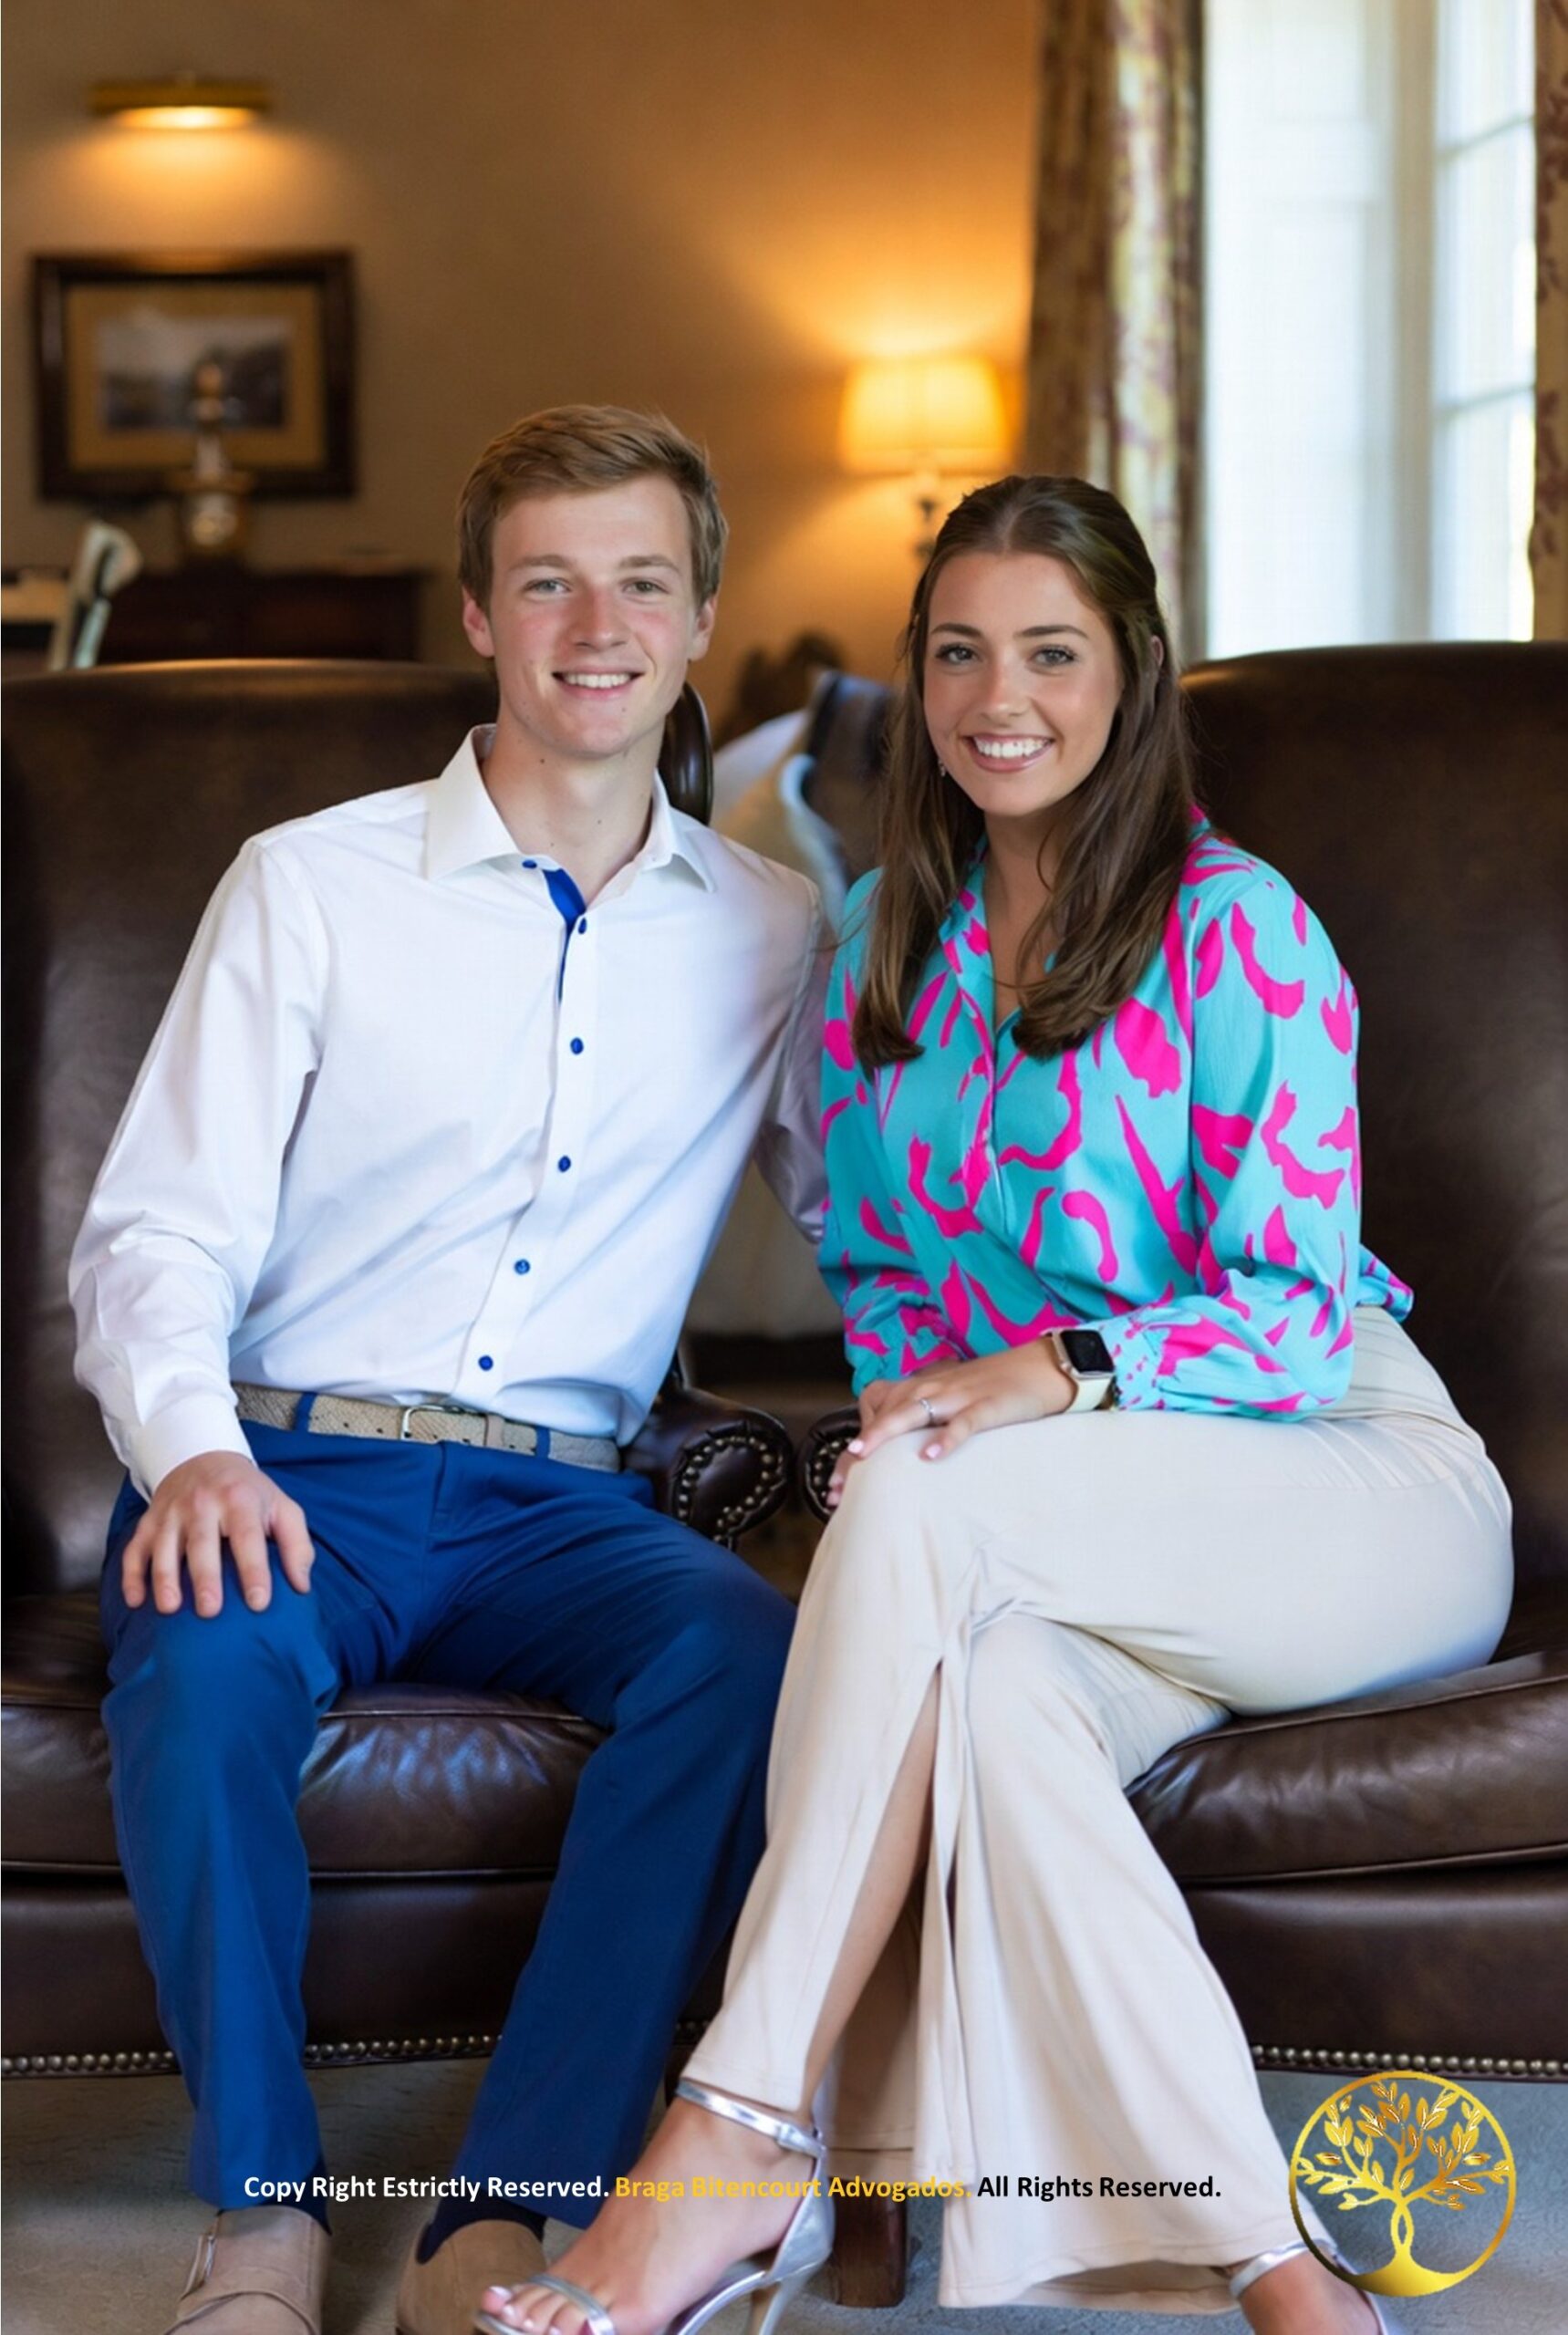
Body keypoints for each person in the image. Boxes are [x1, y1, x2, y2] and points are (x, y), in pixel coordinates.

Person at [480, 476, 1512, 2335]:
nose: (996, 694)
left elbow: (1287, 1313)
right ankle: (1281, 2271)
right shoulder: (886, 937)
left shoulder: (1236, 927)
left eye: (1048, 649)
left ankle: (738, 2121)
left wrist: (1051, 1372)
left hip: (1340, 1469)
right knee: (993, 1710)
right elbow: (884, 1286)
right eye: (956, 649)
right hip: (1067, 1513)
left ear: (1129, 673)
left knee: (916, 1508)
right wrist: (929, 1414)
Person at [69, 405, 827, 2335]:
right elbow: (154, 1230)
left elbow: (878, 1210)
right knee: (208, 1645)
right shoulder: (308, 883)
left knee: (741, 1650)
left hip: (563, 1500)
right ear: (483, 613)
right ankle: (261, 2217)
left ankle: (504, 2209)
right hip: (293, 1463)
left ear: (700, 612)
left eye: (642, 580)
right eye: (551, 580)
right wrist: (191, 1453)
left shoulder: (773, 929)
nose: (598, 622)